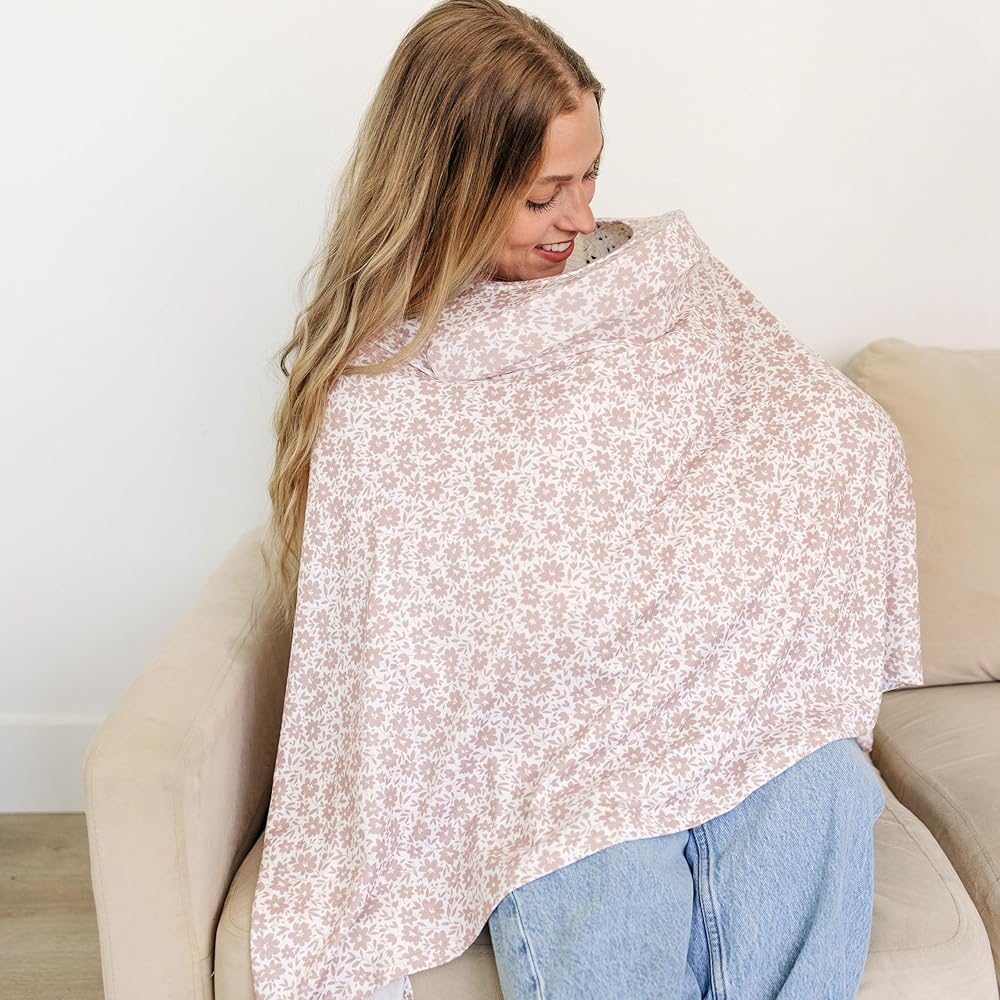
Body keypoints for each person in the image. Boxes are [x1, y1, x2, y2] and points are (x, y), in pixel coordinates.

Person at [253, 2, 890, 998]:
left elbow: (822, 430)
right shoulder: (384, 388)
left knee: (830, 789)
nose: (583, 216)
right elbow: (403, 646)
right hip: (544, 746)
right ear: (452, 189)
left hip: (721, 694)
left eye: (590, 175)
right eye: (544, 193)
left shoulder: (650, 289)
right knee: (601, 879)